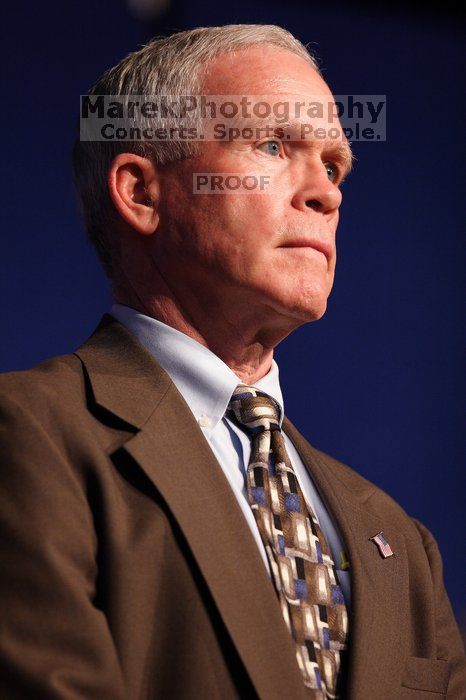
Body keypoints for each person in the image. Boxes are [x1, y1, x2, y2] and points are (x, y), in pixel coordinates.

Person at [0, 24, 464, 700]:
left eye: (333, 167)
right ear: (142, 193)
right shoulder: (31, 436)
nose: (326, 194)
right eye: (274, 146)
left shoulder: (398, 538)